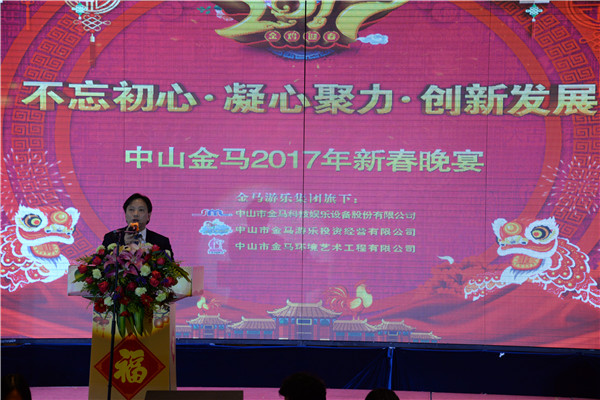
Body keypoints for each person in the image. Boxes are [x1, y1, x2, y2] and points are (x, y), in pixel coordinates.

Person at [102, 193, 174, 256]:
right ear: (125, 215)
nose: (136, 214)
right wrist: (125, 244)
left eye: (141, 210)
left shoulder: (161, 242)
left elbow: (170, 267)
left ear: (148, 216)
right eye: (131, 210)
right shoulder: (112, 238)